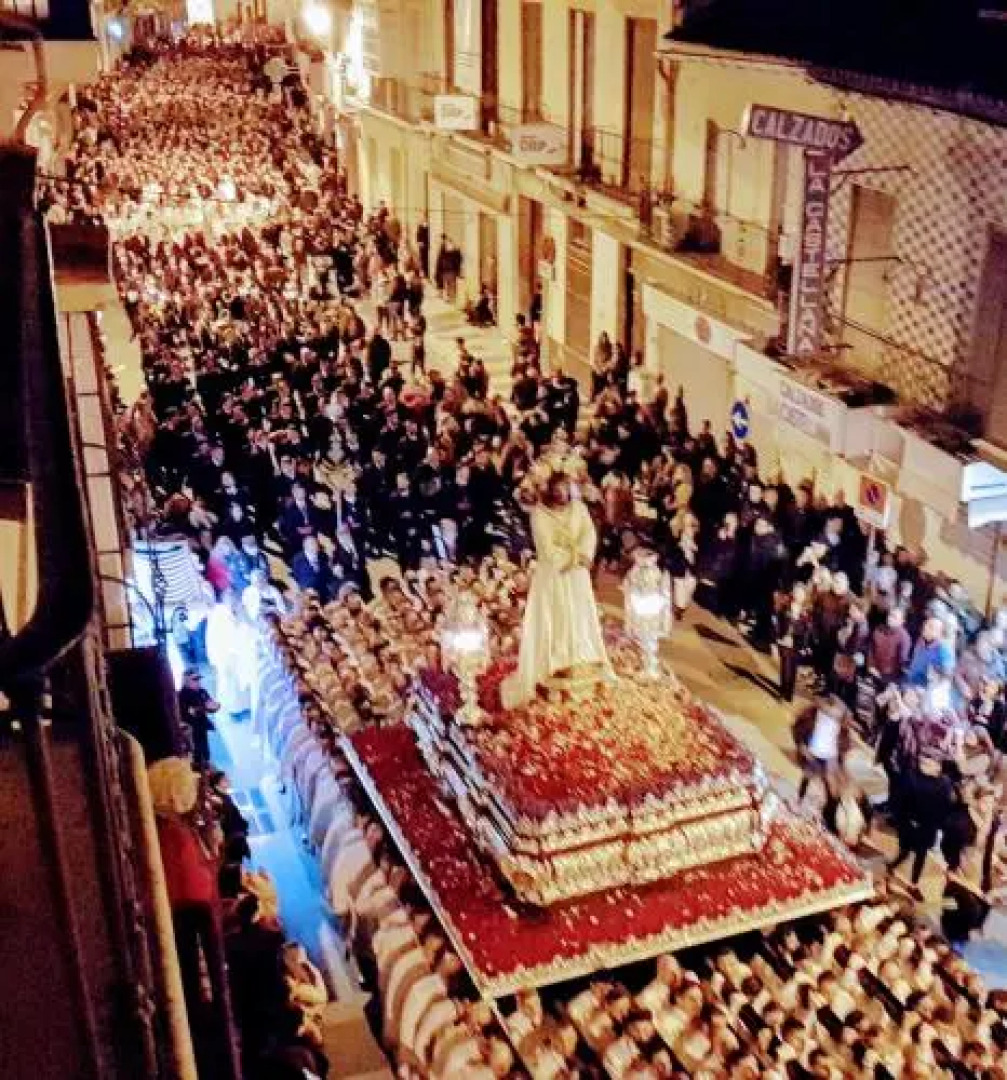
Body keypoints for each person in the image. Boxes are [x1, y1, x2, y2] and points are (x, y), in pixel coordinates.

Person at [501, 458, 611, 707]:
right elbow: (547, 551)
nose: (563, 493)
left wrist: (583, 555)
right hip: (554, 578)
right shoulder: (539, 515)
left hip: (578, 576)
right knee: (557, 620)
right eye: (558, 488)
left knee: (579, 619)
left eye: (566, 487)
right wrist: (573, 558)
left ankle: (580, 661)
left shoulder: (579, 509)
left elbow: (589, 533)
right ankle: (554, 666)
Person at [178, 668, 220, 767]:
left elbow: (211, 704)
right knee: (194, 752)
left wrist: (214, 706)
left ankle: (206, 765)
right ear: (186, 680)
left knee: (205, 751)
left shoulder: (202, 692)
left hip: (202, 726)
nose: (198, 682)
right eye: (194, 679)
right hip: (191, 729)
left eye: (198, 679)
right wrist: (203, 707)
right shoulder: (182, 695)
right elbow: (187, 712)